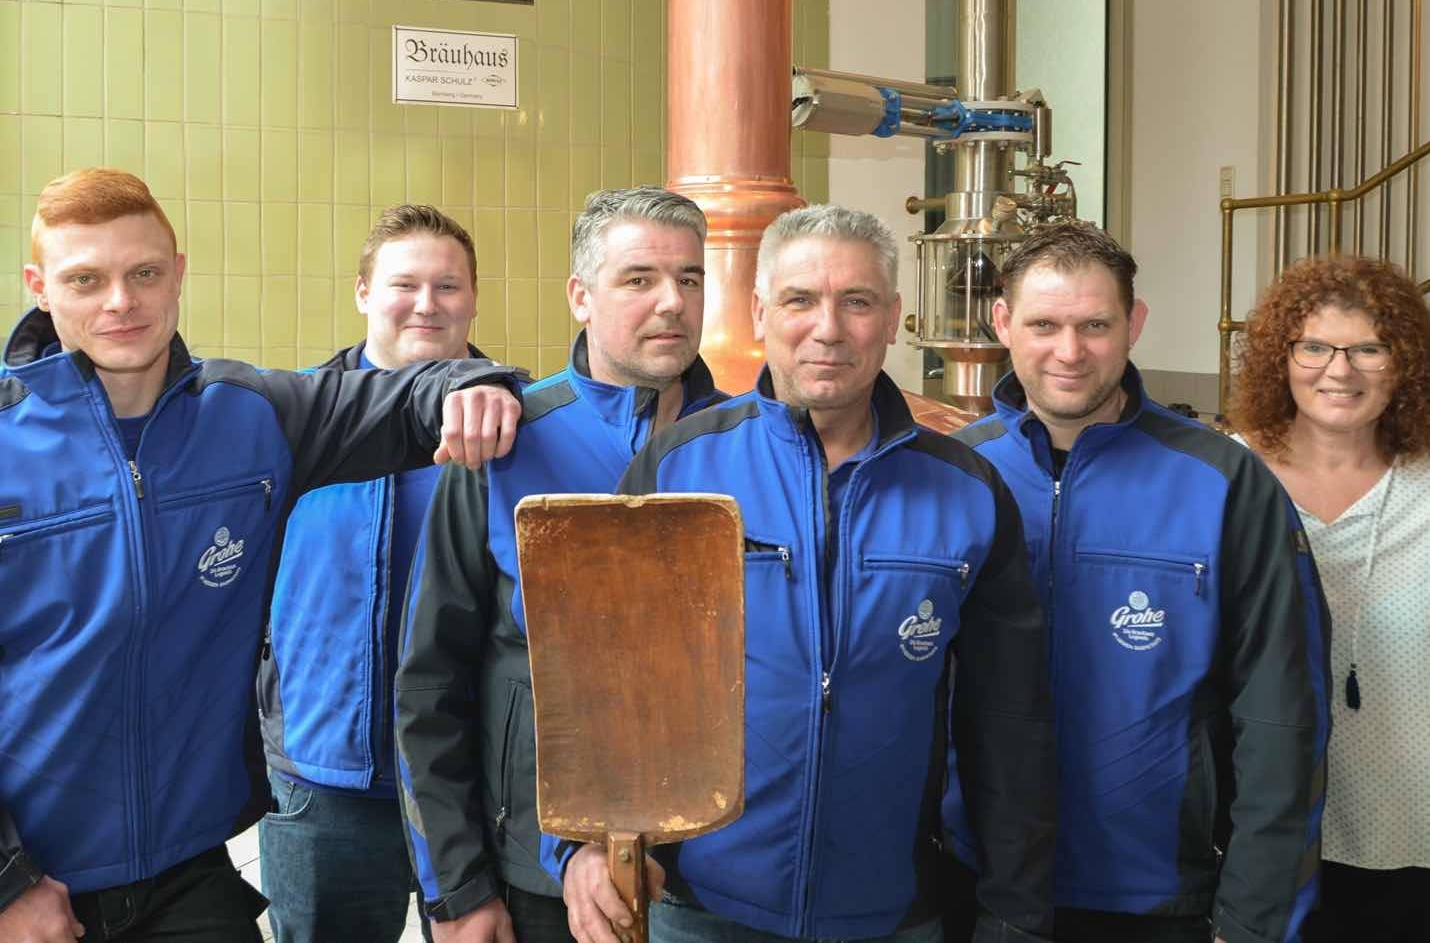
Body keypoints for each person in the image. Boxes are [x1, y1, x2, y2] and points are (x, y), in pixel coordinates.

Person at [0, 169, 521, 943]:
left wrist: (475, 387)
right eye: (87, 279)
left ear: (177, 274)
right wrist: (11, 882)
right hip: (35, 881)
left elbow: (395, 398)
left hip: (190, 875)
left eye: (143, 273)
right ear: (40, 287)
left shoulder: (252, 416)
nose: (120, 302)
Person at [558, 203, 1056, 943]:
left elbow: (1008, 725)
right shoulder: (679, 467)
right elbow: (602, 678)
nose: (828, 328)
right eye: (800, 300)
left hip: (893, 910)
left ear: (892, 317)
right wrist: (580, 845)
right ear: (760, 312)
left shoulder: (967, 491)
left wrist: (1015, 911)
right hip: (701, 906)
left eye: (856, 302)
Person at [955, 221, 1330, 943]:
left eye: (1095, 324)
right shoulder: (954, 477)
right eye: (1044, 324)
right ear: (1001, 323)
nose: (1069, 352)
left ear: (1135, 323)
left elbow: (1284, 712)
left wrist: (1255, 917)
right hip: (981, 884)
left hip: (1163, 896)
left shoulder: (1222, 481)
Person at [395, 188, 725, 943]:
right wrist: (458, 891)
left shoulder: (749, 449)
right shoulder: (503, 445)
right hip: (532, 879)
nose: (672, 302)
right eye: (638, 279)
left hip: (712, 881)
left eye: (691, 278)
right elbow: (428, 683)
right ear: (580, 295)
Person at [258, 205, 493, 943]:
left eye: (448, 286)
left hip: (472, 778)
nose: (427, 304)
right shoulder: (287, 426)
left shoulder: (514, 432)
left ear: (474, 297)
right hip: (322, 776)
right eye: (404, 284)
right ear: (363, 292)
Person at [1229, 254, 1430, 943]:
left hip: (1412, 837)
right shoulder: (1227, 479)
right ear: (1280, 357)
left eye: (1368, 348)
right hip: (1262, 841)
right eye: (1314, 345)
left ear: (1403, 363)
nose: (1338, 371)